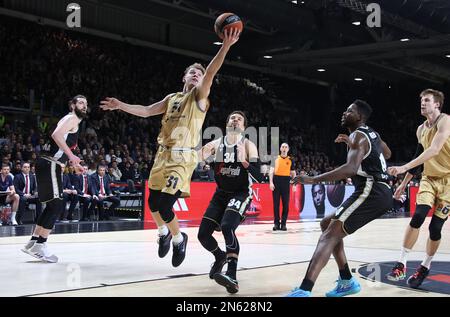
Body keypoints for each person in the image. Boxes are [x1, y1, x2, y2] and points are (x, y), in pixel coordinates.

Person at [100, 29, 240, 267]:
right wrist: (120, 105)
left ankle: (178, 238)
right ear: (183, 77)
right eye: (193, 72)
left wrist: (225, 46)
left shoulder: (199, 97)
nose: (197, 75)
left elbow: (212, 71)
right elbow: (145, 111)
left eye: (200, 73)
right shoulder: (171, 98)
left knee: (165, 205)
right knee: (153, 204)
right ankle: (165, 234)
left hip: (182, 158)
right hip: (161, 156)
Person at [286, 100, 392, 297]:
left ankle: (304, 290)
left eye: (350, 111)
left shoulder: (358, 135)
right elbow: (387, 152)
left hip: (371, 190)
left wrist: (312, 179)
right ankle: (346, 281)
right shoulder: (371, 134)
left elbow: (350, 169)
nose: (344, 112)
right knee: (327, 224)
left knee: (329, 235)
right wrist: (356, 146)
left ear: (359, 117)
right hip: (377, 190)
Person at [386, 89, 449, 288]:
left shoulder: (446, 121)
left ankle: (425, 266)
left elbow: (434, 150)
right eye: (421, 100)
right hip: (429, 179)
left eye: (427, 100)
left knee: (435, 228)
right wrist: (403, 185)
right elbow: (419, 159)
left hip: (449, 181)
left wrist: (402, 167)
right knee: (418, 216)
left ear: (437, 104)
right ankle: (401, 263)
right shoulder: (420, 129)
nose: (422, 103)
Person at [197, 111, 263, 293]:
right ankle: (219, 257)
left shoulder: (249, 146)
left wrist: (244, 162)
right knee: (203, 235)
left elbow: (259, 177)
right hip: (220, 194)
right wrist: (199, 156)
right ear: (227, 123)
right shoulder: (216, 144)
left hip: (241, 193)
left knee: (227, 226)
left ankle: (232, 275)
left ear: (243, 127)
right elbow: (196, 158)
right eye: (232, 117)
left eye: (239, 118)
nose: (235, 119)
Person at [21, 95, 87, 263]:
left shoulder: (71, 120)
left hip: (47, 163)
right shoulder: (72, 118)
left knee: (52, 205)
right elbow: (56, 134)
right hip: (50, 164)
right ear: (72, 105)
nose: (84, 105)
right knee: (57, 205)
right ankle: (40, 246)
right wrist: (72, 157)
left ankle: (33, 242)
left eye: (86, 103)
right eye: (80, 102)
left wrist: (73, 164)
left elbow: (60, 146)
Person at [269, 143, 296, 231]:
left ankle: (283, 224)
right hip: (276, 181)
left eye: (286, 147)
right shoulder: (275, 159)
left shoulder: (290, 160)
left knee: (286, 205)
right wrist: (271, 183)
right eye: (283, 147)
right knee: (276, 205)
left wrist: (294, 184)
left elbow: (293, 173)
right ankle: (276, 224)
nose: (284, 148)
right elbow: (271, 171)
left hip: (285, 182)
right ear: (280, 148)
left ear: (288, 149)